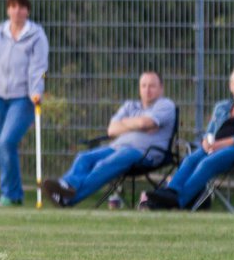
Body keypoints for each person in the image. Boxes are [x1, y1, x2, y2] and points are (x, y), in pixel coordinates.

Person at [41, 71, 176, 208]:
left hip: (145, 153)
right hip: (117, 147)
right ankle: (67, 185)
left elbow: (144, 123)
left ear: (161, 88)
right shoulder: (130, 105)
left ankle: (68, 199)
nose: (147, 90)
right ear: (139, 88)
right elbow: (112, 130)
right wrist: (137, 124)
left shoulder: (165, 105)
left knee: (105, 164)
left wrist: (125, 123)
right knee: (84, 158)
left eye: (152, 86)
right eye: (144, 85)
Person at [0, 0, 49, 206]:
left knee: (7, 141)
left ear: (28, 10)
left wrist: (36, 90)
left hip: (23, 98)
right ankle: (13, 195)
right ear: (8, 10)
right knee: (2, 145)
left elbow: (39, 67)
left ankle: (10, 193)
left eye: (22, 7)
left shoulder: (36, 35)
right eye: (13, 7)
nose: (17, 11)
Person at [143, 66, 234, 210]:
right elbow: (209, 132)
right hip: (215, 148)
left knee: (207, 162)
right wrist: (206, 142)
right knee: (190, 159)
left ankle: (178, 201)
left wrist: (224, 143)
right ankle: (170, 192)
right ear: (230, 87)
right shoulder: (222, 107)